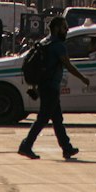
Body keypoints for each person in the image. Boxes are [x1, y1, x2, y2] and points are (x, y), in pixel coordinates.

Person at [18, 15, 89, 160]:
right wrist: (83, 78)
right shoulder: (58, 46)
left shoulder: (45, 42)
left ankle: (66, 148)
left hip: (45, 85)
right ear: (57, 29)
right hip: (50, 87)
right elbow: (68, 66)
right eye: (64, 27)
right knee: (43, 119)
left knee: (57, 119)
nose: (67, 30)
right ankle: (26, 145)